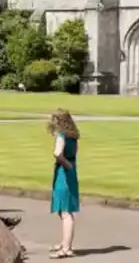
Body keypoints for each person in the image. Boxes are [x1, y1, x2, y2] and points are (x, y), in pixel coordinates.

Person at [48, 109, 81, 259]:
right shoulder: (73, 136)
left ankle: (66, 248)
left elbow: (57, 153)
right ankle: (64, 242)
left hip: (64, 172)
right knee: (64, 209)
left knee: (66, 211)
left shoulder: (62, 136)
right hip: (71, 171)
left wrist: (65, 164)